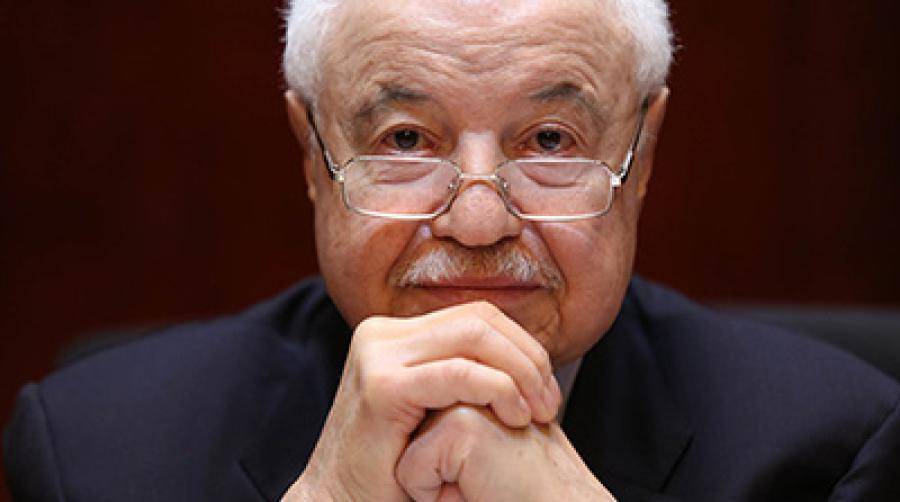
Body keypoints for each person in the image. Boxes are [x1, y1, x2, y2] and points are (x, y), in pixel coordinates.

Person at [4, 0, 899, 500]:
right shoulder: (100, 455)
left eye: (549, 141)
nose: (477, 222)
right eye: (405, 140)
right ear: (313, 157)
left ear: (644, 156)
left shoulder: (830, 450)